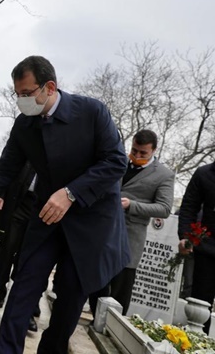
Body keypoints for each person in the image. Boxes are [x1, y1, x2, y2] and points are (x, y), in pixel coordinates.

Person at [0, 55, 130, 354]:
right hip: (47, 219)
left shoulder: (91, 112)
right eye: (17, 95)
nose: (21, 101)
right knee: (23, 288)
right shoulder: (25, 126)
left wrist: (70, 193)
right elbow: (5, 170)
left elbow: (115, 162)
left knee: (69, 300)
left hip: (90, 223)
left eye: (27, 94)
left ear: (49, 86)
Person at [89, 129, 174, 316]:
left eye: (143, 153)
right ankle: (95, 316)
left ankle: (112, 327)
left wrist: (132, 205)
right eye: (134, 150)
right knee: (98, 280)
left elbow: (164, 208)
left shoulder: (164, 175)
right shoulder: (118, 161)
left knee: (120, 286)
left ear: (154, 150)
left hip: (131, 235)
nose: (137, 155)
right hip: (104, 230)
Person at [0, 161, 40, 332]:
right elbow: (7, 169)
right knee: (7, 249)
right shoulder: (29, 139)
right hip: (16, 202)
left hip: (42, 208)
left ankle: (27, 307)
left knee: (32, 259)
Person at [177, 163, 215, 334]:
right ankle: (196, 345)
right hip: (207, 248)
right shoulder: (204, 174)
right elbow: (189, 206)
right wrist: (186, 236)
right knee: (199, 307)